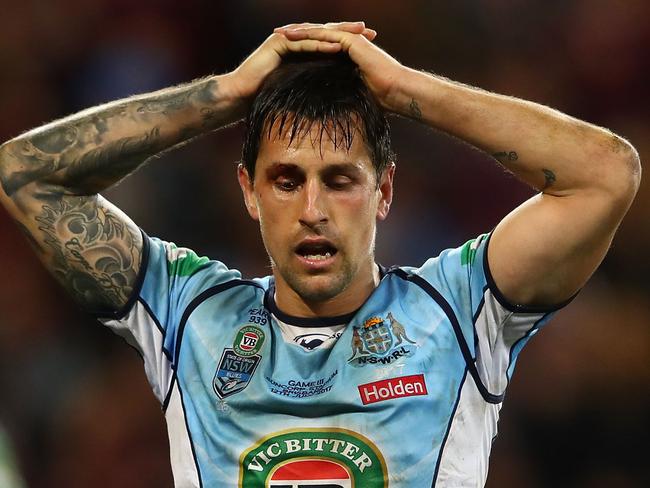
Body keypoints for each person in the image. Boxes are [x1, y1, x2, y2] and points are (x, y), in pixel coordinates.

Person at [0, 21, 640, 487]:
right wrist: (226, 94)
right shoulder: (189, 315)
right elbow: (25, 174)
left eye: (340, 180)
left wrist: (402, 88)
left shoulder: (460, 309)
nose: (312, 209)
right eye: (285, 180)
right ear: (248, 192)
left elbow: (607, 174)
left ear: (384, 190)